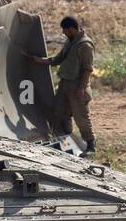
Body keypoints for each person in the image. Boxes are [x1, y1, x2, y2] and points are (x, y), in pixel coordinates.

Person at [28, 16, 97, 155]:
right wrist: (39, 61)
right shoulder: (70, 42)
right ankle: (67, 141)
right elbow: (58, 59)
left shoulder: (85, 45)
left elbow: (87, 69)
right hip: (65, 84)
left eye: (65, 30)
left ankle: (90, 145)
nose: (64, 33)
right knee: (60, 113)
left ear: (72, 29)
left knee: (81, 116)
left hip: (77, 85)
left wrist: (81, 88)